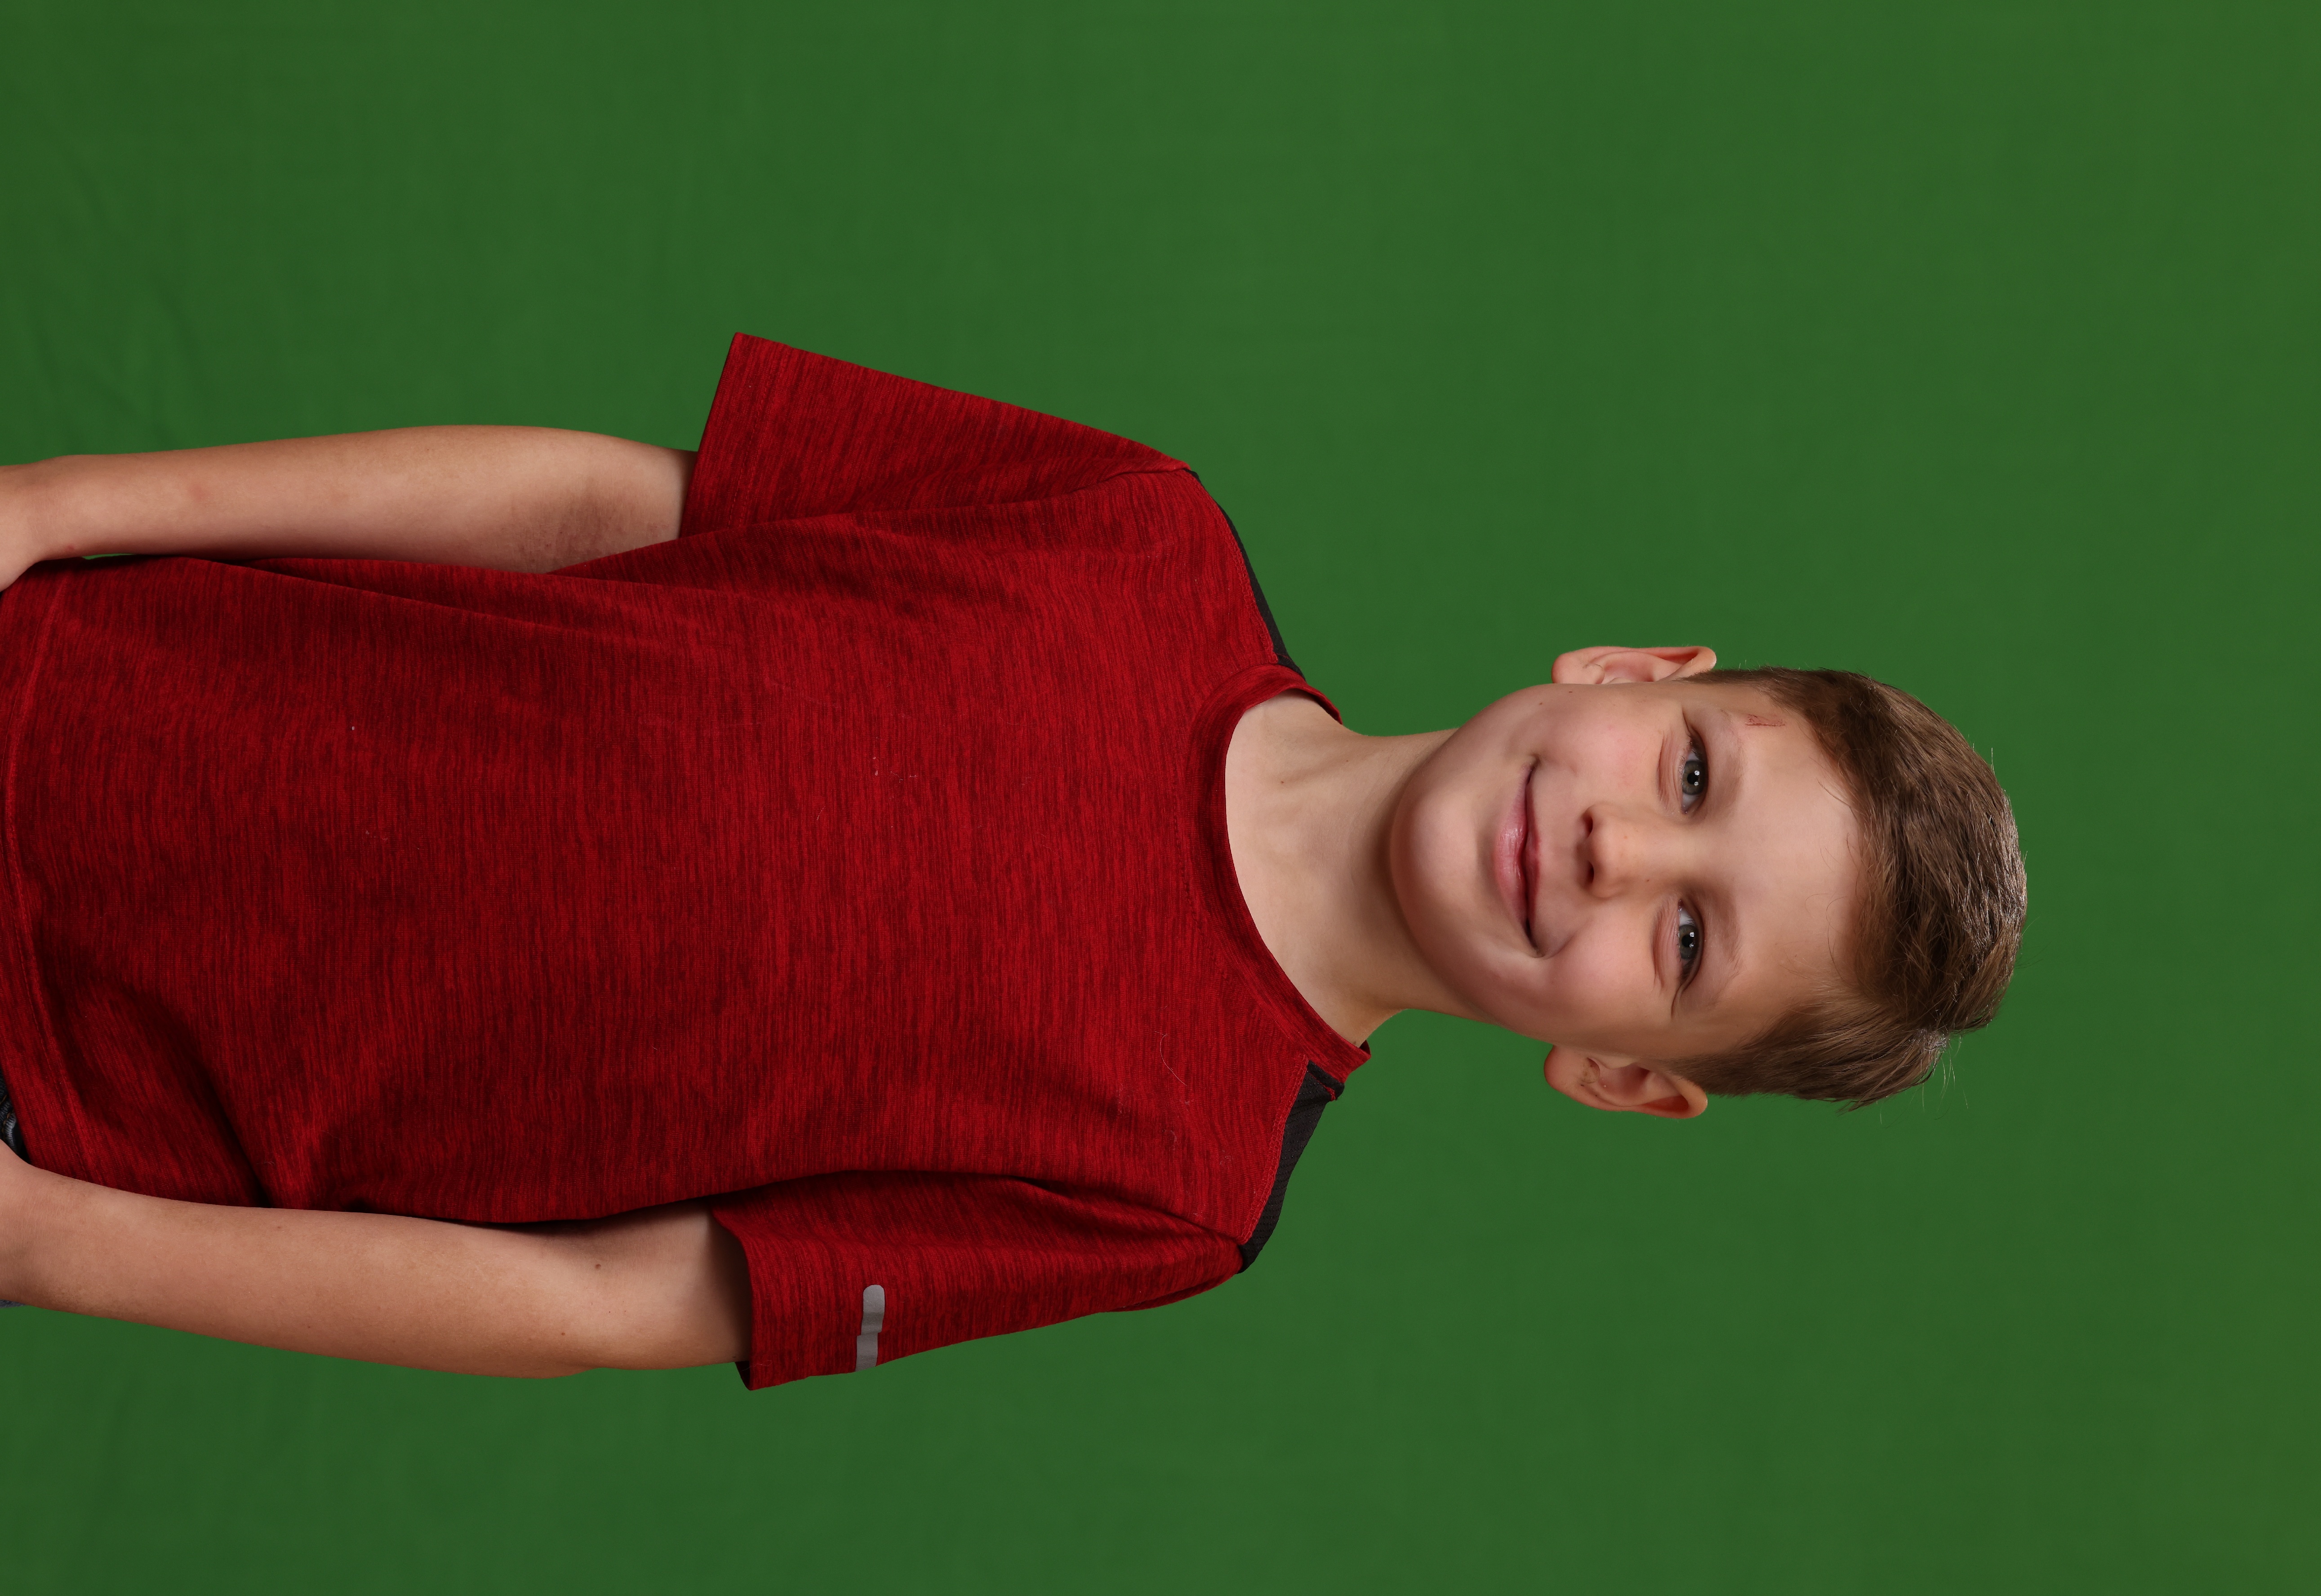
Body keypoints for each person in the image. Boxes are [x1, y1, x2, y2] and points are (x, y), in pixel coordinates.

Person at [0, 336, 2025, 1386]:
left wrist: (54, 1247)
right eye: (1690, 770)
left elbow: (609, 1301)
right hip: (70, 674)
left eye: (1687, 938)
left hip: (80, 1103)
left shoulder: (1179, 1197)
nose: (1609, 844)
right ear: (1632, 671)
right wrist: (54, 507)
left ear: (1622, 1077)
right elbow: (606, 502)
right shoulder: (1137, 531)